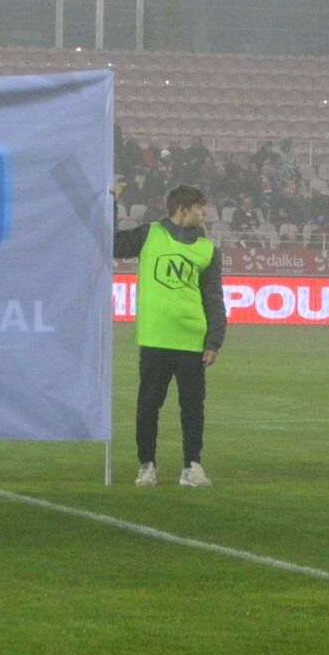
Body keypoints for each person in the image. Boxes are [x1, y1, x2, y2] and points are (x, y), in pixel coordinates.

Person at [115, 183, 225, 488]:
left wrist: (214, 340)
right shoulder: (149, 234)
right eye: (200, 207)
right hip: (154, 339)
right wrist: (111, 204)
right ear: (183, 209)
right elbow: (111, 244)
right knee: (148, 406)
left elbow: (213, 297)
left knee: (193, 409)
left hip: (192, 340)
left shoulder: (208, 250)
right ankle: (146, 465)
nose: (205, 213)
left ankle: (192, 467)